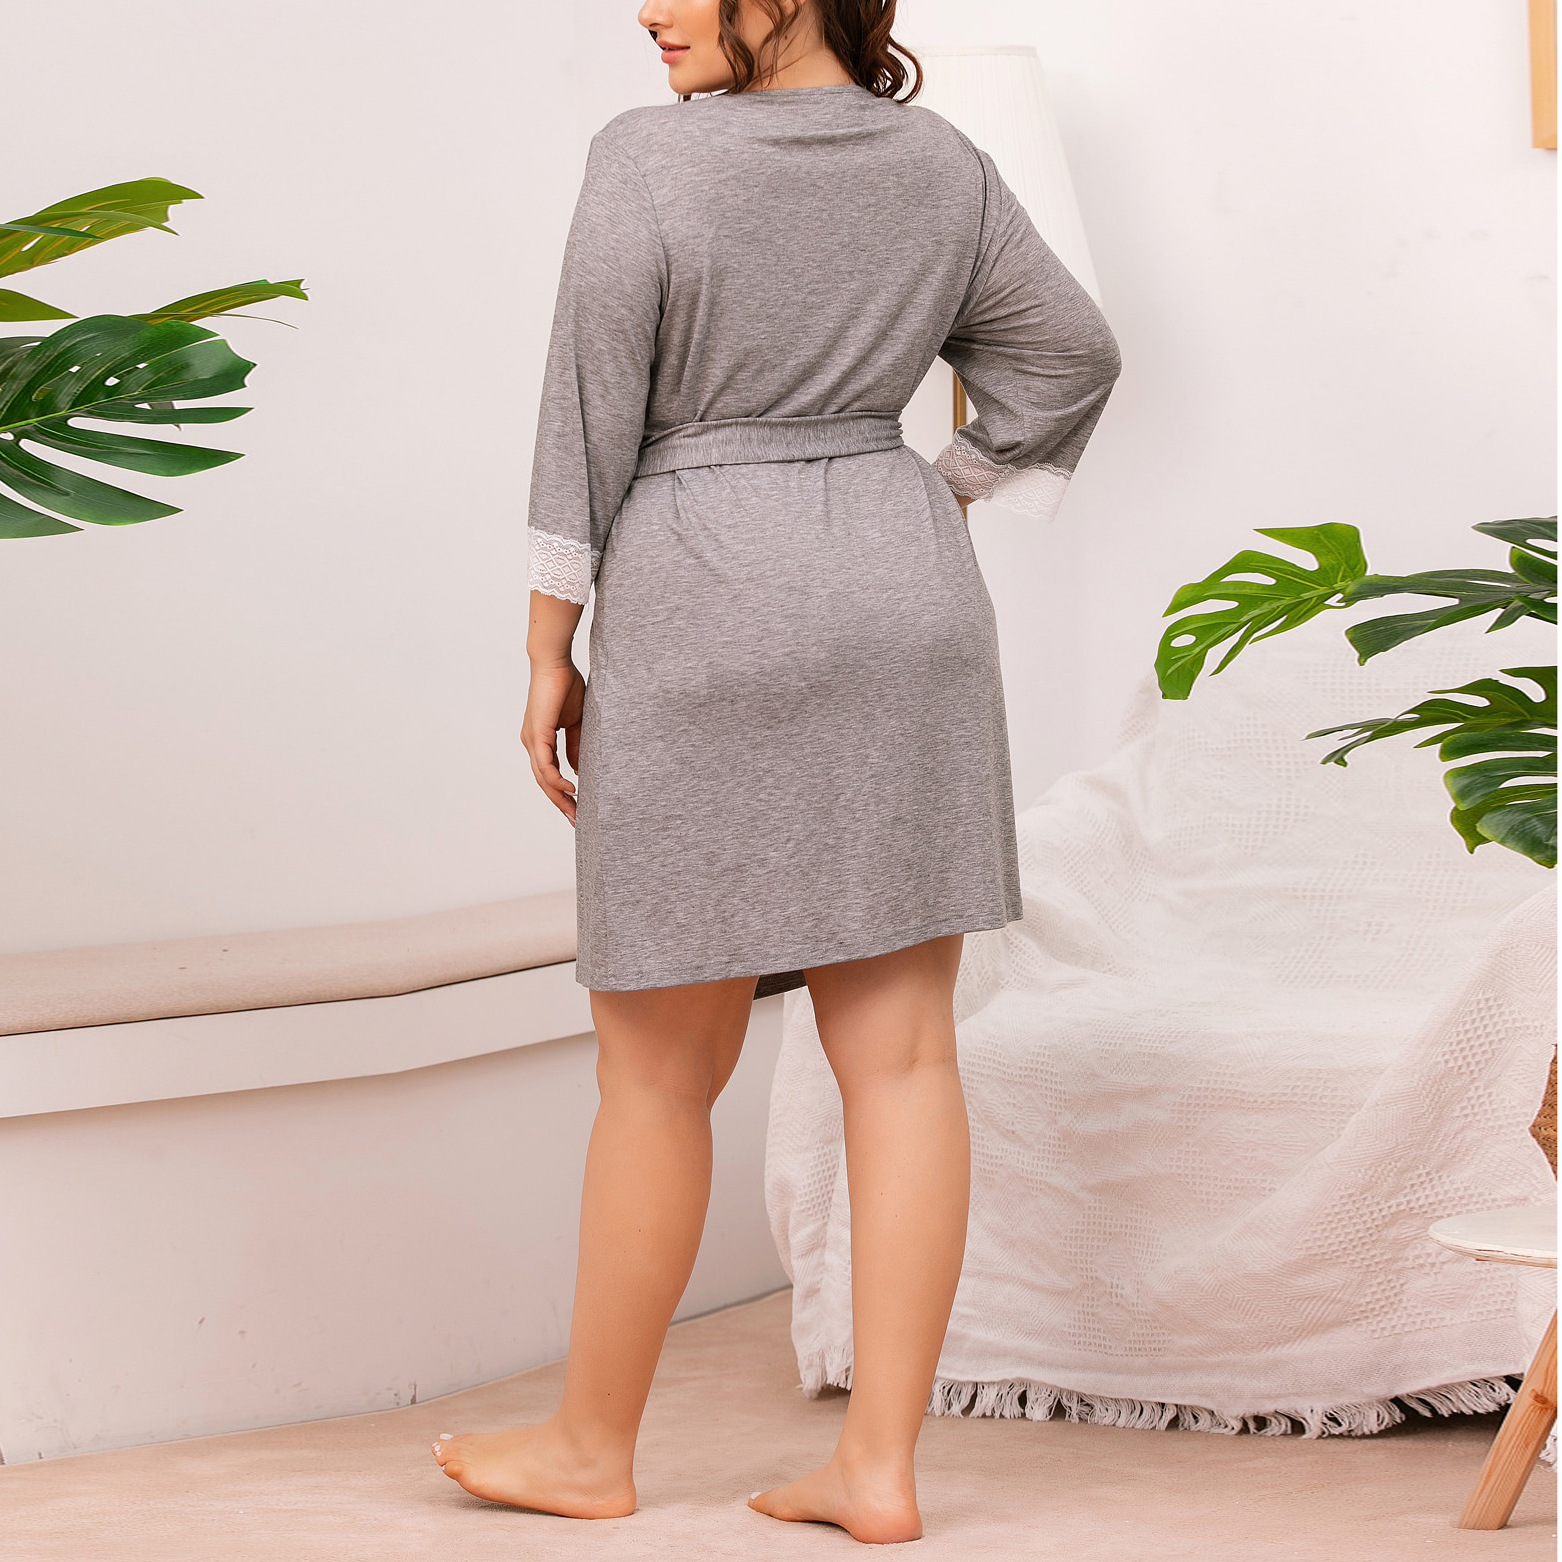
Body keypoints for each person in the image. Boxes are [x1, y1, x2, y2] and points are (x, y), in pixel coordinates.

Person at [432, 0, 1119, 1544]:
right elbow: (1074, 351)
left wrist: (548, 641)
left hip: (701, 594)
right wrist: (945, 485)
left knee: (655, 1075)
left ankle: (590, 1448)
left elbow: (586, 407)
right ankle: (878, 1469)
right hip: (900, 587)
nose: (648, 10)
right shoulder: (939, 162)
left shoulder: (648, 160)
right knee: (906, 1061)